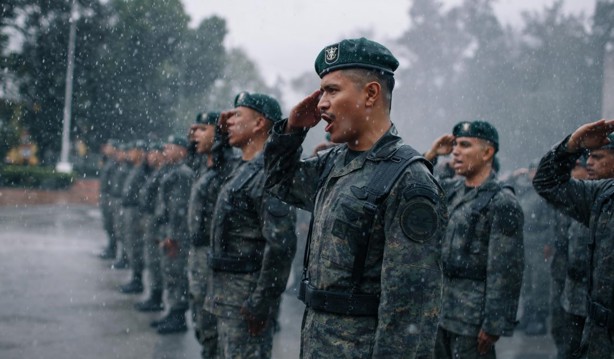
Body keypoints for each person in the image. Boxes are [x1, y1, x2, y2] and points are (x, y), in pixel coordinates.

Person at [263, 38, 446, 358]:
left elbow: (409, 314)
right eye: (321, 92)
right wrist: (291, 131)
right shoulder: (335, 162)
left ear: (371, 94)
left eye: (332, 90)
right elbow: (279, 182)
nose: (320, 103)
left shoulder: (408, 180)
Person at [204, 92, 297, 359]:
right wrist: (220, 136)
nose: (228, 121)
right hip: (226, 297)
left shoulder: (268, 173)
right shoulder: (241, 167)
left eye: (237, 115)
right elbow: (215, 165)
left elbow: (281, 245)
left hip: (246, 300)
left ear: (259, 124)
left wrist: (261, 302)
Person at [424, 121, 524, 359]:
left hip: (472, 318)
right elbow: (418, 185)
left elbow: (506, 270)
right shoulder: (453, 190)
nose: (456, 151)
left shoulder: (502, 202)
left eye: (465, 145)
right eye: (455, 145)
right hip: (442, 310)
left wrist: (494, 324)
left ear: (487, 152)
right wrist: (431, 155)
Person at [532, 119, 614, 359]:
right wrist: (571, 145)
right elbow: (546, 182)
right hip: (599, 332)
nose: (589, 162)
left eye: (598, 157)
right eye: (587, 156)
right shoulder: (603, 195)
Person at [187, 111, 239, 358]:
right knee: (200, 318)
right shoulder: (202, 164)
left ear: (217, 133)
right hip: (198, 253)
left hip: (216, 257)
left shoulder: (229, 167)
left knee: (214, 323)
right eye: (193, 130)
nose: (194, 134)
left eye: (201, 129)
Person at [506, 161, 557, 336]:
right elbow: (507, 188)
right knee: (526, 281)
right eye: (531, 170)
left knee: (539, 281)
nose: (532, 174)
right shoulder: (525, 189)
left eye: (535, 170)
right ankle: (528, 316)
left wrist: (549, 242)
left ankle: (540, 319)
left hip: (540, 240)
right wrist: (514, 176)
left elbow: (553, 219)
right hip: (525, 240)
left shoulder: (545, 191)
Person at [150, 134, 194, 334]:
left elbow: (179, 209)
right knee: (168, 270)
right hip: (168, 229)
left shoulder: (183, 173)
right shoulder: (172, 170)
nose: (166, 150)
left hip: (176, 233)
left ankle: (178, 316)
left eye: (171, 147)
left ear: (182, 151)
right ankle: (172, 311)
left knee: (176, 272)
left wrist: (173, 236)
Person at [549, 156, 590, 359]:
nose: (573, 172)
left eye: (577, 167)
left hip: (586, 287)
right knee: (559, 330)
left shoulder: (593, 199)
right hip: (563, 276)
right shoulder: (569, 198)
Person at [134, 141, 168, 312]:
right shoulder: (155, 172)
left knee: (156, 261)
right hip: (151, 220)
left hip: (158, 223)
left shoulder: (166, 173)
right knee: (151, 259)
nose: (149, 156)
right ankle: (154, 296)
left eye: (154, 152)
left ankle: (157, 298)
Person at [119, 140, 148, 294]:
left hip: (136, 211)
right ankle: (135, 277)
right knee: (130, 242)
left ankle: (138, 280)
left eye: (133, 150)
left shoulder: (143, 170)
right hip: (129, 209)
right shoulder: (135, 168)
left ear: (141, 152)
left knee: (136, 245)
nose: (129, 153)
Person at [109, 143, 131, 269]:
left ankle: (125, 258)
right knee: (118, 230)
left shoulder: (130, 168)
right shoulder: (120, 166)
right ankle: (121, 255)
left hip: (127, 204)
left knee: (125, 233)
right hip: (119, 200)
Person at [98, 139, 118, 259]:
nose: (106, 149)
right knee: (107, 224)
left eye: (109, 147)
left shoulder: (115, 162)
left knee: (112, 224)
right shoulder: (108, 161)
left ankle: (113, 249)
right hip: (106, 195)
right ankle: (110, 246)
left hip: (111, 195)